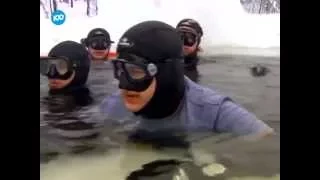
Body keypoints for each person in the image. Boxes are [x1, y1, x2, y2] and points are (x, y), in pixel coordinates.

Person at [100, 21, 274, 142]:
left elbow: (268, 145)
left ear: (166, 73)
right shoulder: (113, 105)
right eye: (120, 70)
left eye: (135, 71)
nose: (122, 84)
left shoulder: (212, 111)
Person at [40, 41, 103, 159]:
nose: (52, 74)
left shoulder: (79, 108)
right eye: (48, 66)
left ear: (79, 70)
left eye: (61, 67)